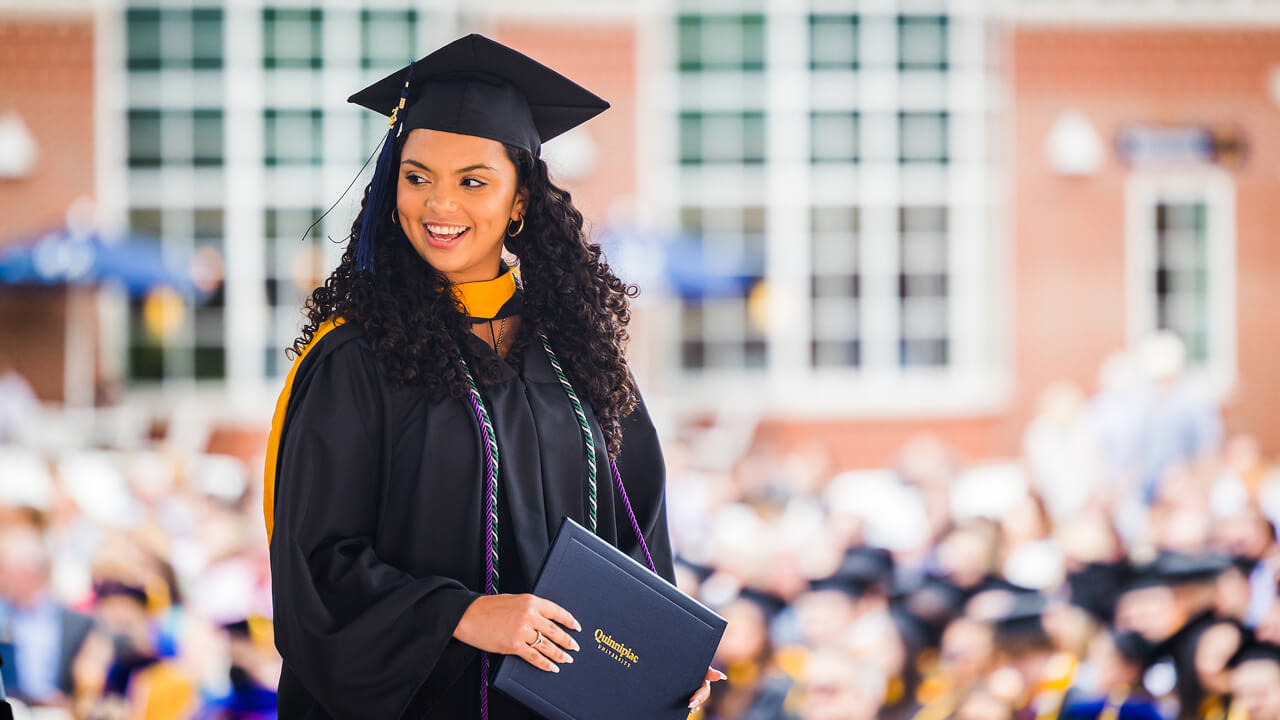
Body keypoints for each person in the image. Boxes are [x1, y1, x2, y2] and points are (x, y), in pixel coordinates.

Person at [263, 33, 722, 719]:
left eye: (472, 181)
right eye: (417, 178)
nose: (438, 206)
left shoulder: (578, 358)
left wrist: (658, 659)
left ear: (520, 200)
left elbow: (640, 537)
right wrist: (465, 615)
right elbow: (315, 572)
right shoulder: (355, 361)